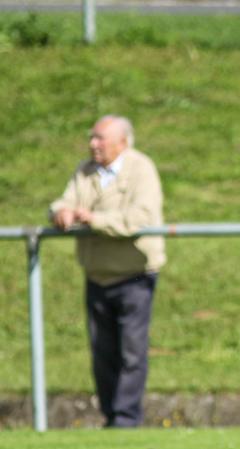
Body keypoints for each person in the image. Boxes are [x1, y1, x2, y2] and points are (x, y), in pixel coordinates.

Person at [49, 115, 166, 428]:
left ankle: (126, 420)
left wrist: (94, 219)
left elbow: (140, 216)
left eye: (100, 138)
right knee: (102, 353)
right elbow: (65, 199)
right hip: (96, 274)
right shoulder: (85, 171)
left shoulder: (141, 169)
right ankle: (110, 416)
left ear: (122, 142)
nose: (93, 144)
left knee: (131, 352)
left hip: (134, 275)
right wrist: (61, 212)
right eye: (92, 137)